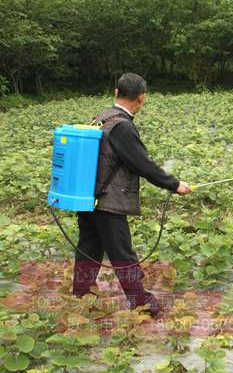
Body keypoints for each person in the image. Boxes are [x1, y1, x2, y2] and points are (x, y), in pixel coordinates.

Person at [72, 73, 192, 317]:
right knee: (122, 254)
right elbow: (142, 164)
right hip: (107, 201)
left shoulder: (102, 116)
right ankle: (142, 304)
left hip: (87, 196)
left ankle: (81, 295)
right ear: (142, 98)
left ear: (116, 92)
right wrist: (174, 184)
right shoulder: (123, 126)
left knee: (89, 249)